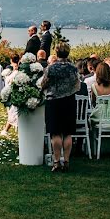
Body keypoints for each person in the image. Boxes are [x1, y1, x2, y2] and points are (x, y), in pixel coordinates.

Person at [40, 42, 80, 172]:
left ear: (56, 53)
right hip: (69, 101)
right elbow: (78, 86)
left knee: (55, 132)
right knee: (68, 133)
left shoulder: (51, 68)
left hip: (54, 102)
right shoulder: (73, 68)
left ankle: (57, 161)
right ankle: (66, 161)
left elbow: (43, 84)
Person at [0, 54, 20, 136]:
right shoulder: (16, 69)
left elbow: (8, 81)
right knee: (12, 111)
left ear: (11, 60)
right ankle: (8, 129)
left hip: (10, 93)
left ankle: (6, 130)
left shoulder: (11, 70)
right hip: (11, 92)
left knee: (12, 112)